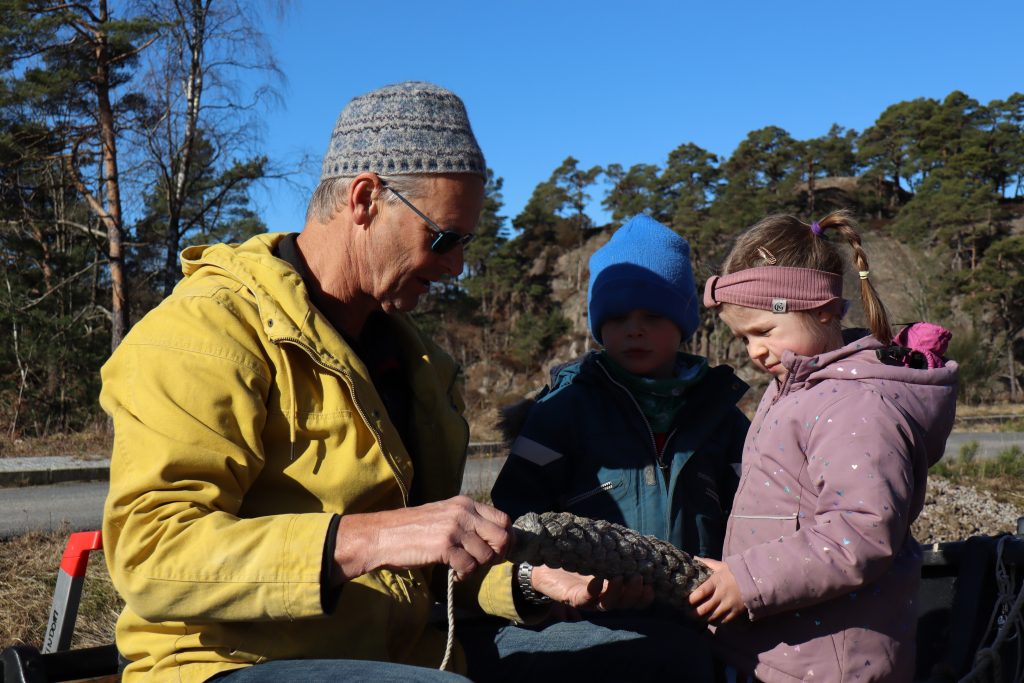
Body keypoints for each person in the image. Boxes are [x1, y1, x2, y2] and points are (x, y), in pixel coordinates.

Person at [99, 81, 625, 683]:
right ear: (366, 198)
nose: (455, 267)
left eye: (467, 245)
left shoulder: (420, 363)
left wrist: (533, 584)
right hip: (226, 663)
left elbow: (426, 564)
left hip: (402, 656)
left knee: (660, 656)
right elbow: (152, 555)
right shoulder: (205, 331)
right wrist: (369, 539)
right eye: (445, 239)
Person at [475, 215, 750, 681]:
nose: (634, 330)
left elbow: (756, 515)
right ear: (598, 325)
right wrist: (563, 586)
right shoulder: (560, 413)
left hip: (702, 623)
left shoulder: (722, 415)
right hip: (588, 623)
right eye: (618, 317)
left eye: (653, 316)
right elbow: (514, 517)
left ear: (684, 322)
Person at [690, 211, 959, 682]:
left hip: (832, 663)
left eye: (764, 332)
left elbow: (862, 532)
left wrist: (746, 581)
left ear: (823, 309)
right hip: (779, 648)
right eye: (743, 338)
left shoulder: (857, 406)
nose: (754, 351)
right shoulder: (791, 390)